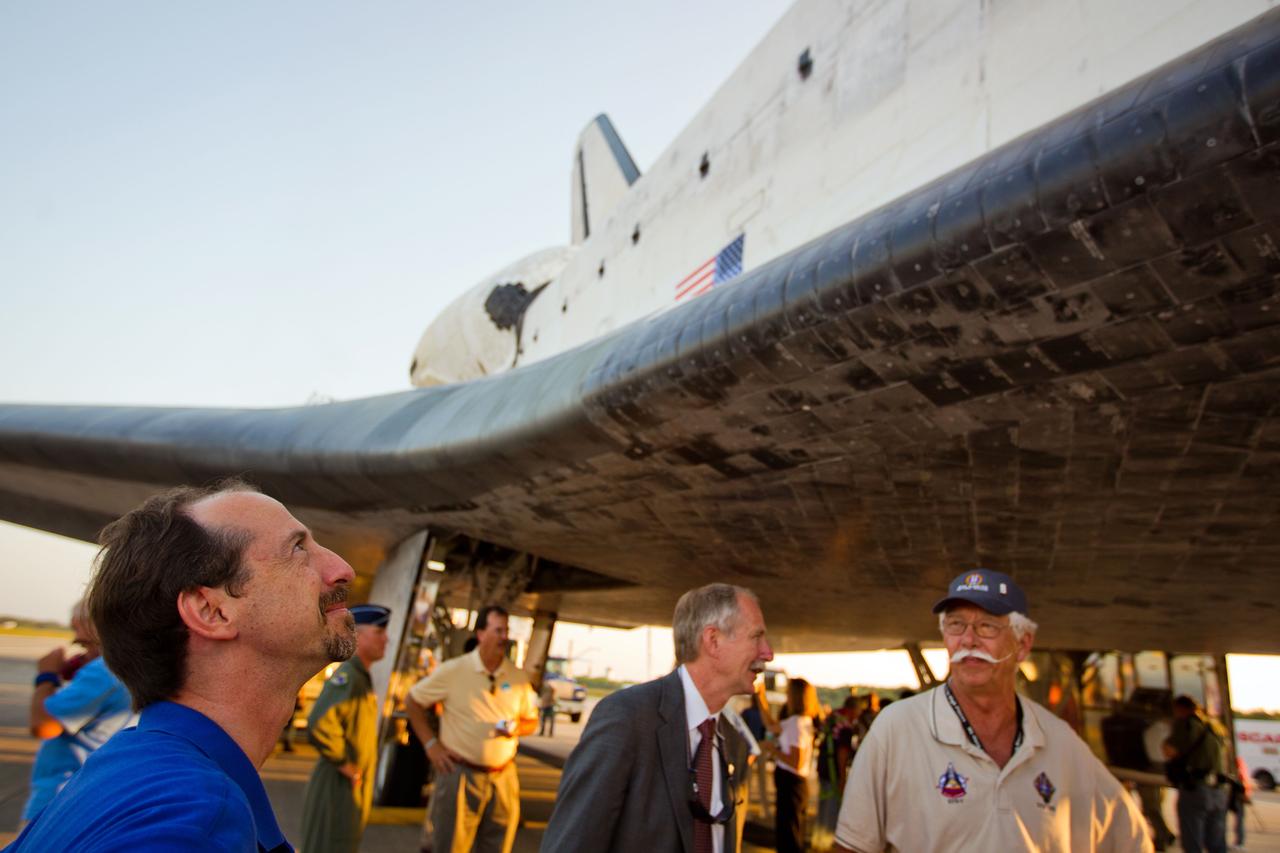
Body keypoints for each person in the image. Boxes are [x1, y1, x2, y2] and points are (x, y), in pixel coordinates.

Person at [8, 480, 358, 852]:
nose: (343, 569)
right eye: (298, 548)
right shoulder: (193, 823)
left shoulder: (116, 773)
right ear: (211, 611)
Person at [833, 569, 1152, 852]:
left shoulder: (1060, 743)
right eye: (956, 625)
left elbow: (1131, 839)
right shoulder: (897, 729)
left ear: (1023, 644)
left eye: (987, 626)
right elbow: (852, 846)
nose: (968, 640)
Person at [540, 582, 774, 853]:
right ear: (713, 641)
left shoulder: (733, 743)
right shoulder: (627, 719)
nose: (768, 653)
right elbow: (571, 844)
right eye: (756, 637)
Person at [404, 605, 538, 853]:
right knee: (451, 846)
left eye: (506, 630)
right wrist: (431, 745)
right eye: (498, 630)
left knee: (499, 846)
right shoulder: (454, 670)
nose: (504, 636)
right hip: (460, 776)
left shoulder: (518, 678)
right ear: (481, 634)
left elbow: (532, 721)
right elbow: (412, 701)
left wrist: (517, 727)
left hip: (503, 777)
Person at [20, 599, 135, 827]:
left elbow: (43, 725)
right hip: (99, 795)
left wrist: (46, 677)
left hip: (61, 797)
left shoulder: (103, 671)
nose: (74, 638)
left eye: (77, 627)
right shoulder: (133, 667)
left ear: (98, 625)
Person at [300, 603, 392, 853]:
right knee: (330, 845)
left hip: (349, 783)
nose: (387, 639)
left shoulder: (361, 676)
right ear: (359, 636)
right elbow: (320, 721)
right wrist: (345, 764)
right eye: (379, 632)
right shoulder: (350, 677)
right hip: (338, 782)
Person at [1163, 694, 1229, 853]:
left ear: (1179, 709)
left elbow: (1170, 751)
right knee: (1217, 844)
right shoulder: (1215, 727)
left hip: (1196, 789)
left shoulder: (1186, 725)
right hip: (1219, 790)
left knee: (1193, 842)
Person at [764, 677, 819, 853]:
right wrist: (760, 695)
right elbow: (771, 725)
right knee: (792, 834)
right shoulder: (801, 720)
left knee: (790, 837)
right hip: (795, 785)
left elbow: (796, 762)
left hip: (791, 784)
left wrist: (773, 750)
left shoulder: (796, 723)